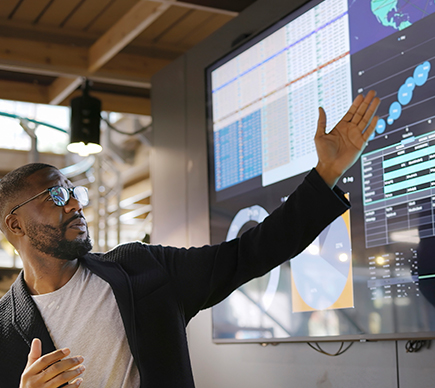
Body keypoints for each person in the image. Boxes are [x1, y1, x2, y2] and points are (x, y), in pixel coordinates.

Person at [0, 91, 380, 388]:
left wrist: (326, 173)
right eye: (54, 195)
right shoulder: (3, 329)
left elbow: (251, 252)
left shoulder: (143, 269)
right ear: (15, 226)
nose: (74, 205)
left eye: (75, 193)